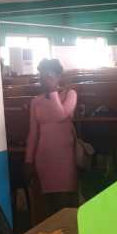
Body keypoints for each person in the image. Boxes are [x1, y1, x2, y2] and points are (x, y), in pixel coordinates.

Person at [25, 59, 78, 219]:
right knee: (49, 204)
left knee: (65, 202)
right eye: (41, 76)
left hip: (65, 157)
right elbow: (33, 133)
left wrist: (53, 91)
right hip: (44, 157)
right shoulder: (36, 101)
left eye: (49, 76)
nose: (44, 79)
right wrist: (28, 160)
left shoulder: (70, 94)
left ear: (58, 76)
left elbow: (61, 115)